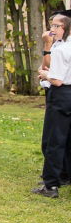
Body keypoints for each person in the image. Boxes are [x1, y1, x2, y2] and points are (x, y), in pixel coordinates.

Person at [35, 13, 71, 197]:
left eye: (56, 26)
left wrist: (45, 75)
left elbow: (56, 80)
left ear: (65, 27)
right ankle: (64, 175)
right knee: (66, 137)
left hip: (61, 94)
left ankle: (50, 185)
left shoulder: (62, 49)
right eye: (52, 26)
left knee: (53, 139)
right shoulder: (60, 45)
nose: (52, 29)